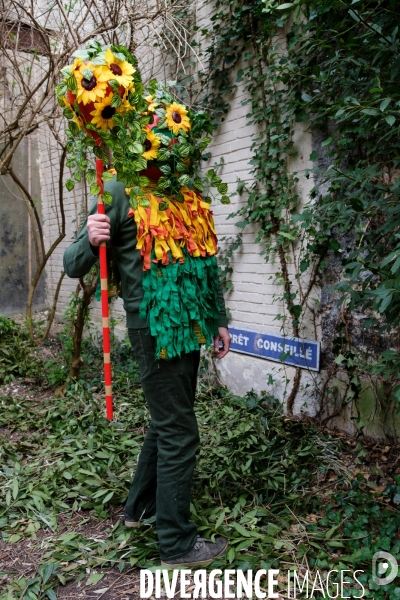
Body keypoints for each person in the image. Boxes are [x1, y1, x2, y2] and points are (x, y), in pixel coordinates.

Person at [63, 176, 230, 567]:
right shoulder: (118, 192)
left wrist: (218, 317)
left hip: (189, 325)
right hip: (153, 328)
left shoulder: (186, 192)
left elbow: (204, 260)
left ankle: (138, 509)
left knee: (168, 421)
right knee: (179, 431)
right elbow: (72, 264)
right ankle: (176, 544)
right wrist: (91, 238)